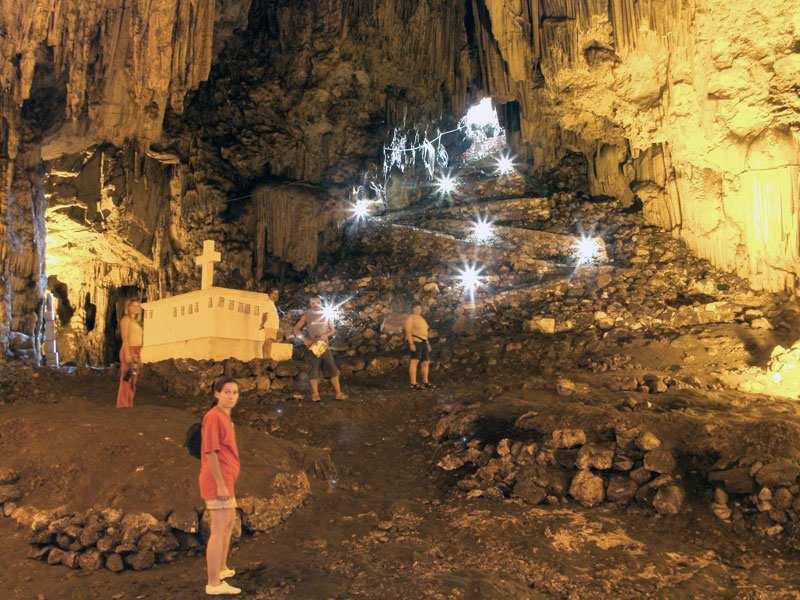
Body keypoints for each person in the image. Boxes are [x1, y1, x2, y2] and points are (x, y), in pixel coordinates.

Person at [199, 377, 242, 596]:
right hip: (218, 481)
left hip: (227, 479)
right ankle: (213, 583)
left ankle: (222, 568)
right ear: (217, 394)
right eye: (227, 392)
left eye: (235, 392)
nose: (231, 396)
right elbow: (211, 452)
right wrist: (221, 484)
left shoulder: (225, 417)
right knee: (218, 528)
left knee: (229, 523)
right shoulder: (214, 417)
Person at [293, 296, 348, 401]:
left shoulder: (326, 314)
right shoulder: (307, 315)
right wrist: (305, 340)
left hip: (324, 346)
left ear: (321, 303)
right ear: (310, 304)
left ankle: (338, 393)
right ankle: (315, 395)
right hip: (313, 346)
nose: (316, 304)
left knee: (332, 369)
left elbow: (332, 330)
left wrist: (326, 334)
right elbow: (296, 329)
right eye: (313, 303)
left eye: (318, 302)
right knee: (313, 370)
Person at [116, 298, 143, 408]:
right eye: (134, 306)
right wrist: (127, 354)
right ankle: (122, 404)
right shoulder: (126, 320)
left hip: (136, 350)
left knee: (133, 378)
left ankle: (128, 402)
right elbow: (125, 339)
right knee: (127, 378)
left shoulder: (135, 321)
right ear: (128, 308)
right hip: (130, 350)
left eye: (138, 306)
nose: (136, 308)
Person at [404, 302, 433, 389]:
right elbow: (408, 331)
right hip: (415, 341)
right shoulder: (410, 318)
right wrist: (411, 343)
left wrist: (427, 343)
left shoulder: (422, 319)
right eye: (416, 308)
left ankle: (425, 382)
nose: (418, 310)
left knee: (425, 362)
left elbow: (425, 332)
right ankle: (413, 384)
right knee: (414, 361)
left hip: (424, 342)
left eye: (419, 308)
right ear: (412, 309)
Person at [259, 287, 281, 359]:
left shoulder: (272, 304)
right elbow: (265, 314)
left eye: (277, 294)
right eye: (274, 294)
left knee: (269, 342)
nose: (276, 296)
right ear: (270, 294)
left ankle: (266, 357)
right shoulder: (267, 303)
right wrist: (262, 324)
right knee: (268, 342)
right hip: (270, 326)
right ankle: (266, 358)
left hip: (273, 326)